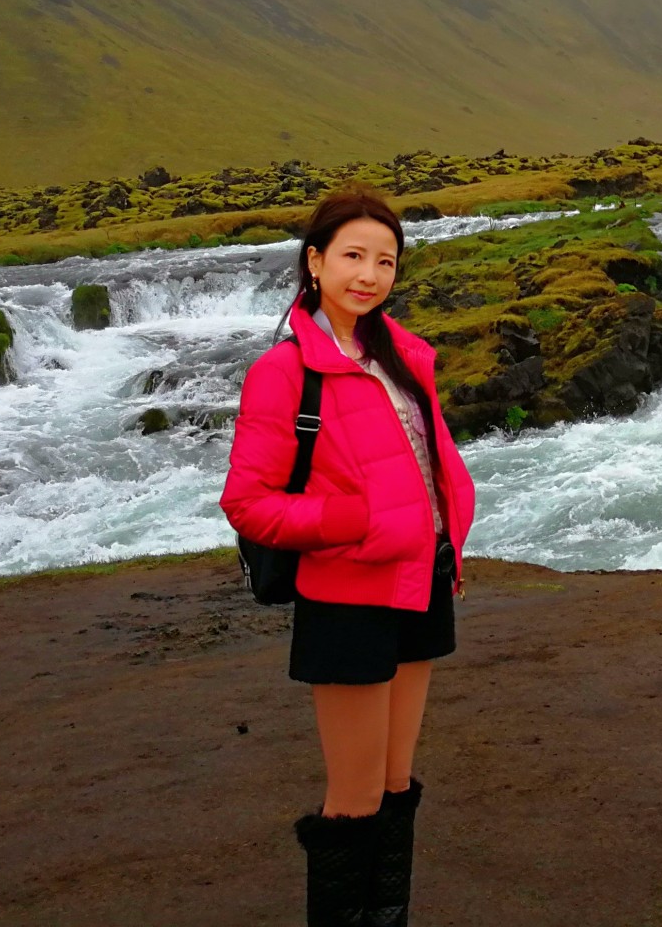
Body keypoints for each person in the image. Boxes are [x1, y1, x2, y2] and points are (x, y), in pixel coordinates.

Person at [222, 188, 478, 927]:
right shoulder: (283, 371)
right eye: (353, 256)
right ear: (316, 261)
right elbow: (249, 502)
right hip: (348, 596)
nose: (368, 274)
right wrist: (358, 520)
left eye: (385, 261)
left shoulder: (401, 353)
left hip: (422, 581)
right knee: (356, 797)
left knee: (397, 784)